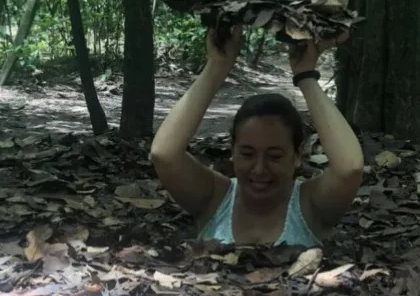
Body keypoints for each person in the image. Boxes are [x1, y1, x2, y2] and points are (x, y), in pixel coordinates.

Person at [150, 27, 363, 246]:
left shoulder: (311, 204)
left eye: (275, 156)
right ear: (233, 151)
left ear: (298, 155)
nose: (259, 169)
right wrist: (217, 65)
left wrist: (306, 75)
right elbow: (164, 154)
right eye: (247, 153)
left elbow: (350, 168)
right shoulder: (214, 198)